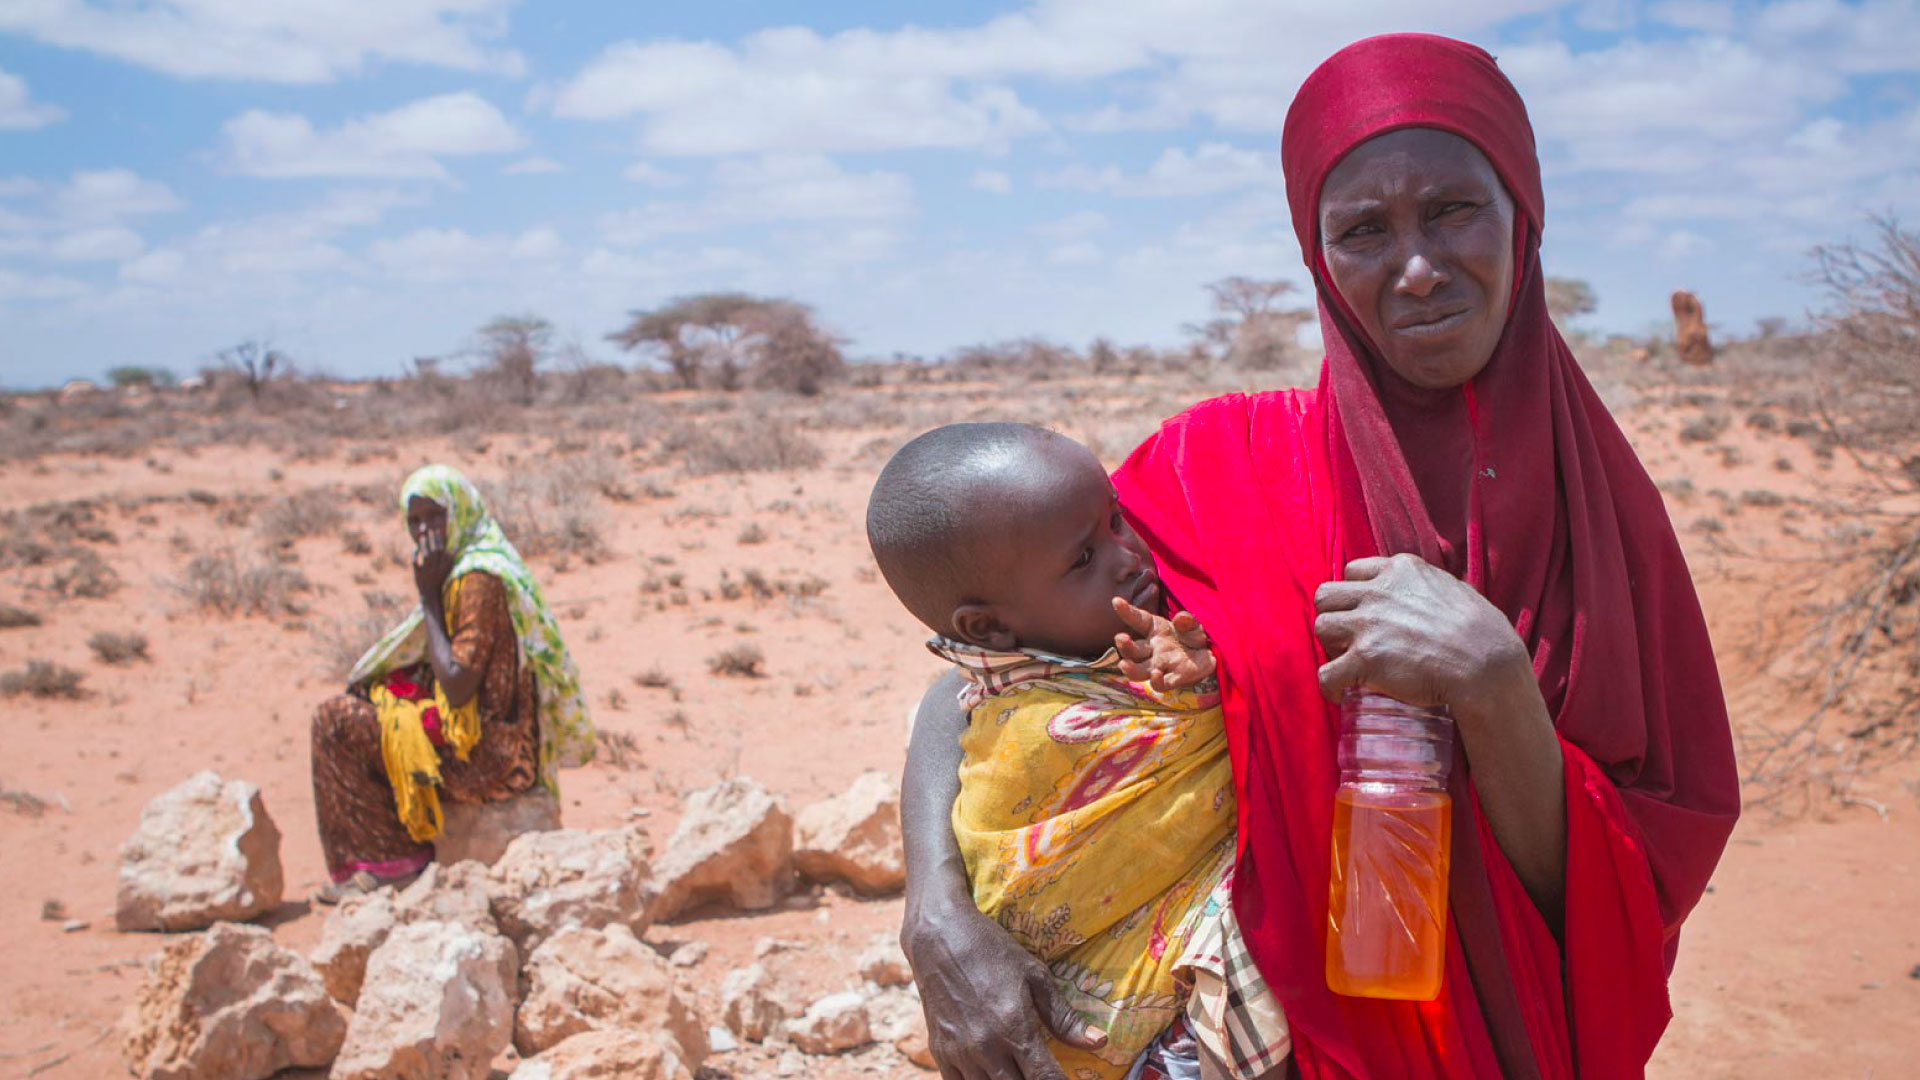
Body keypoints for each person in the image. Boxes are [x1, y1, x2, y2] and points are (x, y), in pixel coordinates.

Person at [897, 33, 1740, 1080]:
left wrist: (1495, 688)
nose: (1418, 268)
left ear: (1523, 214)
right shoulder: (1222, 472)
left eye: (1452, 210)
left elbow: (1638, 886)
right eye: (1362, 230)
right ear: (1316, 255)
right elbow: (993, 669)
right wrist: (933, 904)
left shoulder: (1609, 530)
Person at [867, 422, 1291, 1079]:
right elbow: (1248, 720)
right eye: (1083, 560)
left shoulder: (1127, 632)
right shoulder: (1026, 726)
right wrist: (1219, 674)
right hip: (1120, 1040)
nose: (1129, 557)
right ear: (988, 627)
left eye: (1118, 520)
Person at [309, 464, 595, 900]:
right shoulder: (479, 560)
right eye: (415, 522)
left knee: (334, 722)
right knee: (372, 699)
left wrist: (427, 594)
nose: (426, 532)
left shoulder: (476, 580)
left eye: (435, 517)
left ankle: (391, 865)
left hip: (487, 756)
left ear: (459, 512)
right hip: (490, 737)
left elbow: (458, 686)